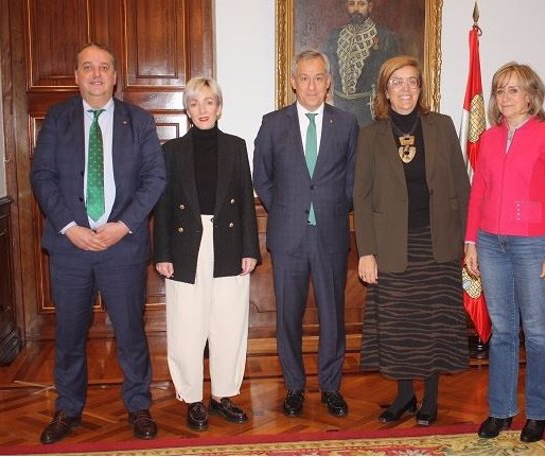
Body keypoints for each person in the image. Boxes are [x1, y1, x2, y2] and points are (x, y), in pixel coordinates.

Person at [30, 42, 166, 443]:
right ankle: (68, 408)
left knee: (130, 332)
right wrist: (70, 227)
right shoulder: (57, 120)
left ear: (115, 75)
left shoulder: (138, 121)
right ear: (75, 76)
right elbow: (42, 177)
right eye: (87, 67)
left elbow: (154, 178)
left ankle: (138, 406)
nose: (95, 74)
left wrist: (122, 225)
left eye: (103, 67)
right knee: (69, 334)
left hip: (122, 247)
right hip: (70, 247)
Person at [353, 55, 470, 426]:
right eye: (397, 82)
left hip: (438, 243)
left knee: (434, 321)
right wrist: (366, 252)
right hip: (392, 245)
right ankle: (404, 396)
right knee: (400, 323)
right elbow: (363, 197)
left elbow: (461, 185)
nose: (405, 89)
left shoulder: (442, 126)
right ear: (385, 91)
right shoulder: (371, 134)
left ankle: (431, 398)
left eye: (412, 82)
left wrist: (469, 241)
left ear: (421, 88)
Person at [464, 62, 545, 443]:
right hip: (490, 242)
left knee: (538, 331)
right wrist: (470, 242)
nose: (504, 98)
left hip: (533, 244)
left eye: (513, 90)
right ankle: (501, 410)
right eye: (500, 90)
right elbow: (478, 193)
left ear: (530, 96)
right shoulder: (489, 139)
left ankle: (539, 412)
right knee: (503, 330)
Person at [253, 49, 358, 418]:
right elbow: (261, 176)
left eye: (319, 77)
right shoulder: (273, 123)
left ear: (328, 82)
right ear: (294, 82)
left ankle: (331, 387)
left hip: (330, 234)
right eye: (305, 78)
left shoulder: (346, 124)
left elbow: (352, 180)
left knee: (333, 316)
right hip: (287, 236)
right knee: (288, 316)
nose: (312, 85)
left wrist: (332, 207)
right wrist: (283, 207)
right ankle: (294, 387)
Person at [153, 76, 260, 431]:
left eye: (209, 102)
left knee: (229, 323)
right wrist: (162, 253)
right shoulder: (171, 152)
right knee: (186, 324)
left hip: (229, 243)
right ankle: (193, 398)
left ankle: (222, 396)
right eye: (195, 103)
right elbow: (163, 206)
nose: (202, 110)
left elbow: (245, 198)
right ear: (187, 109)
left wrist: (250, 249)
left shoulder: (236, 146)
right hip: (186, 245)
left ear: (219, 106)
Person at [323, 0, 399, 127]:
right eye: (352, 4)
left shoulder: (385, 37)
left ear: (370, 6)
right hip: (339, 109)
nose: (356, 9)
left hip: (369, 111)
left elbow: (394, 77)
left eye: (361, 4)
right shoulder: (334, 36)